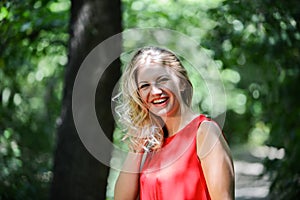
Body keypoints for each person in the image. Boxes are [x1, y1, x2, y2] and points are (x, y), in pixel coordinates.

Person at [114, 46, 234, 200]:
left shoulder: (204, 132)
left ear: (182, 83)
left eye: (162, 80)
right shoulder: (152, 144)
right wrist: (137, 146)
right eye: (145, 86)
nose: (155, 92)